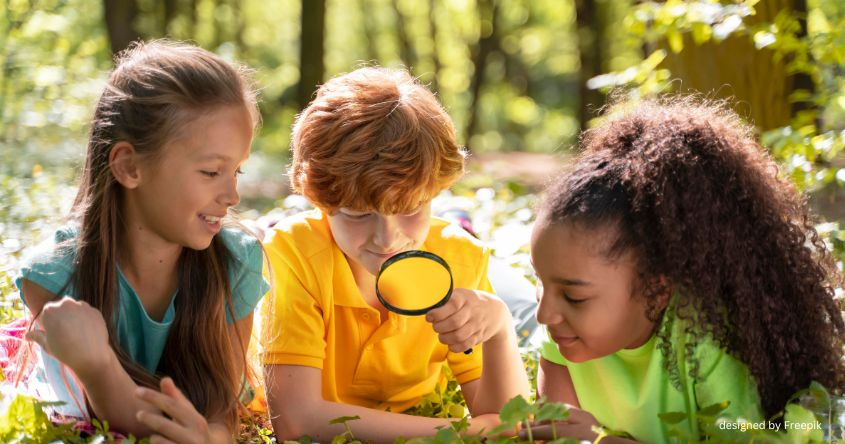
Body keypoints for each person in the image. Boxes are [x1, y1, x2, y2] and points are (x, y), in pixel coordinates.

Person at [531, 97, 845, 443]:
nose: (546, 314)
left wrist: (604, 440)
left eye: (574, 297)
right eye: (540, 283)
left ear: (658, 289)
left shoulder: (705, 343)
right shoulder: (564, 336)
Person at [15, 40, 268, 442]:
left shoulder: (235, 265)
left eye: (236, 171)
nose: (232, 197)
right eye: (210, 172)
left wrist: (207, 437)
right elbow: (109, 418)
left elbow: (222, 413)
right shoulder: (57, 278)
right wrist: (98, 365)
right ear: (129, 166)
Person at [260, 67, 530, 442]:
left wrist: (499, 328)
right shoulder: (293, 255)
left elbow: (508, 423)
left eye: (410, 210)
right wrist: (459, 432)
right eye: (358, 214)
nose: (386, 240)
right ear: (322, 200)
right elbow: (296, 423)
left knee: (516, 301)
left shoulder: (460, 256)